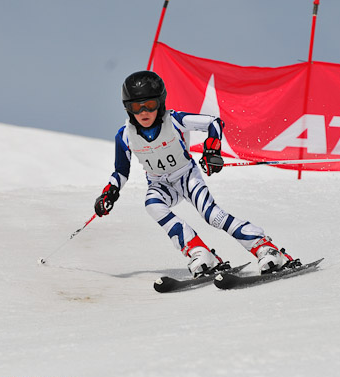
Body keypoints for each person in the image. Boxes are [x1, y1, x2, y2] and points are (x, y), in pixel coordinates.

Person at [94, 71, 294, 278]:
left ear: (160, 103)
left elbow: (214, 122)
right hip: (159, 184)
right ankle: (199, 253)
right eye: (136, 106)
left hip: (186, 177)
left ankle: (266, 248)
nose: (144, 111)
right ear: (128, 108)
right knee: (152, 205)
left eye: (150, 105)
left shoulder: (174, 120)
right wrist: (109, 194)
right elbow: (120, 171)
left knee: (212, 215)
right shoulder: (125, 135)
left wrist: (212, 150)